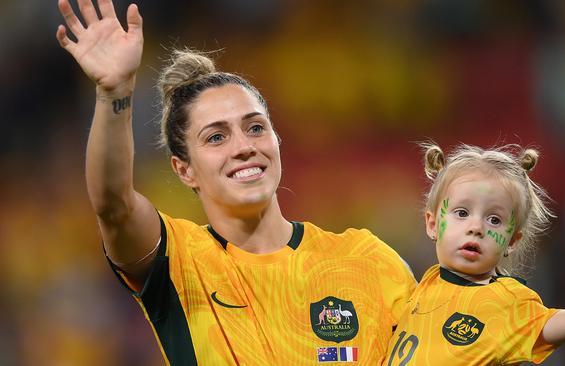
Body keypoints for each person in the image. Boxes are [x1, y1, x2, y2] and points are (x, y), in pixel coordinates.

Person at [55, 0, 416, 364]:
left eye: (255, 128)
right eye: (216, 137)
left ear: (277, 140)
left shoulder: (368, 259)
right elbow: (113, 206)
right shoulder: (179, 261)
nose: (244, 147)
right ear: (184, 170)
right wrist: (115, 93)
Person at [384, 143, 565, 365]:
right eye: (462, 213)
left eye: (494, 220)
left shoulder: (507, 299)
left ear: (512, 240)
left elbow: (544, 325)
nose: (476, 228)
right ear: (432, 224)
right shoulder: (426, 284)